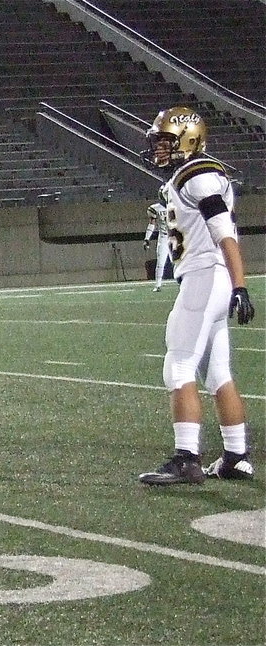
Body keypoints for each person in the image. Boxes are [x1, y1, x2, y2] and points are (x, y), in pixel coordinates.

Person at [136, 106, 255, 486]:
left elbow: (224, 233)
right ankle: (235, 456)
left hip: (207, 276)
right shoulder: (188, 175)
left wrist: (240, 284)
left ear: (188, 140)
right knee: (218, 372)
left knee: (178, 364)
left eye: (165, 141)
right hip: (210, 278)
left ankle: (187, 457)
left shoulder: (198, 173)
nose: (158, 149)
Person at [142, 186, 171, 292]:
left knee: (180, 261)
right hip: (163, 236)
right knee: (161, 262)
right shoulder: (155, 208)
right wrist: (147, 238)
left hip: (175, 236)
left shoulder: (177, 205)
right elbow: (152, 224)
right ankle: (158, 284)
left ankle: (183, 282)